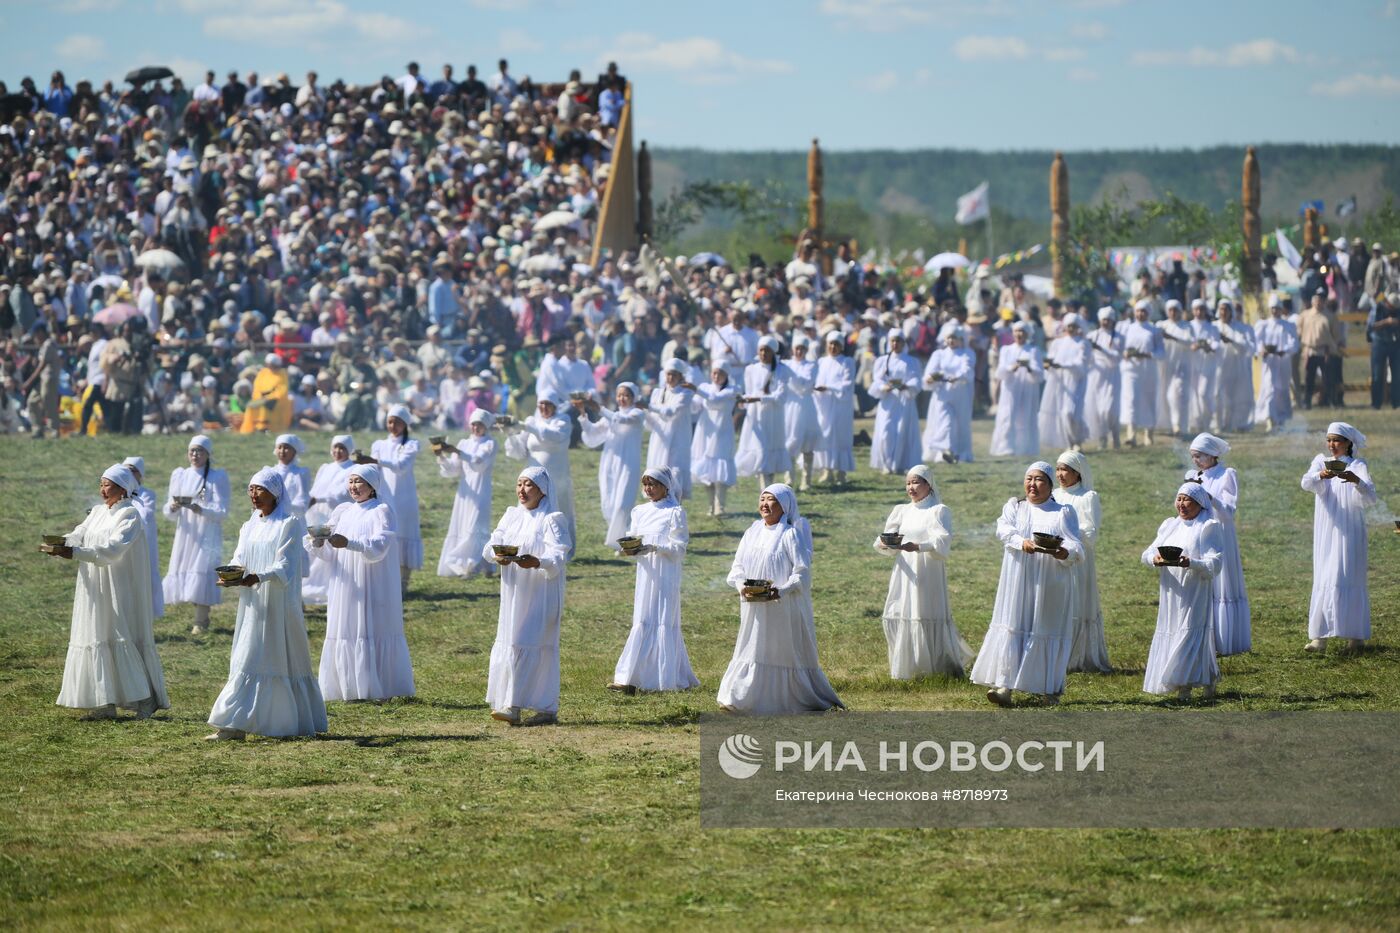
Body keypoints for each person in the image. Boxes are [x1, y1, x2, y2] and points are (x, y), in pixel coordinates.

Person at [206, 468, 327, 741]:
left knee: (273, 656)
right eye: (251, 489)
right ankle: (233, 726)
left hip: (278, 604)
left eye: (260, 489)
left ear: (275, 493)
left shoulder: (289, 524)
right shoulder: (248, 526)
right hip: (253, 604)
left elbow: (286, 565)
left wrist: (258, 577)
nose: (254, 494)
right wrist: (234, 576)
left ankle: (282, 722)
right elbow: (239, 557)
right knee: (245, 655)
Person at [46, 464, 169, 721]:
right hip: (94, 583)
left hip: (118, 584)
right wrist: (63, 542)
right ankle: (105, 701)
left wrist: (76, 553)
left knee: (120, 631)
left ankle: (146, 699)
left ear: (123, 488)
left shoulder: (130, 515)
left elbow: (114, 549)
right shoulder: (99, 512)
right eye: (101, 484)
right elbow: (81, 532)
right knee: (97, 632)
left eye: (108, 485)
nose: (103, 490)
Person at [718, 484, 843, 715]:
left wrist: (781, 590)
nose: (765, 504)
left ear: (784, 506)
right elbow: (737, 567)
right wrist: (741, 587)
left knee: (776, 647)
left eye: (771, 500)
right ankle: (740, 697)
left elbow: (802, 571)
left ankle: (784, 698)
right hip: (753, 605)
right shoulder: (751, 531)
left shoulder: (790, 534)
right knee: (752, 645)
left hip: (780, 605)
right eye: (762, 498)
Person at [970, 462, 1083, 707]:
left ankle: (1049, 690)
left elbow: (1076, 545)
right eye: (1029, 478)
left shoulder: (1062, 512)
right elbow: (1003, 530)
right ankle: (1004, 686)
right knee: (1014, 623)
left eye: (1039, 479)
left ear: (1050, 484)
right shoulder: (1015, 507)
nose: (1032, 484)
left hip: (1050, 580)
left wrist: (1064, 553)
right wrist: (1022, 542)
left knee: (1045, 628)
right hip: (1018, 577)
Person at [312, 464, 415, 702]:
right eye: (351, 481)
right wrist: (320, 543)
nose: (353, 487)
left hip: (371, 579)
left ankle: (378, 685)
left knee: (372, 625)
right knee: (346, 624)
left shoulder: (381, 510)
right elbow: (331, 554)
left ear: (372, 485)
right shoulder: (343, 512)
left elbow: (379, 547)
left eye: (359, 481)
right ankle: (347, 687)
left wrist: (349, 543)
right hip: (346, 581)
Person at [483, 466, 572, 726]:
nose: (522, 490)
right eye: (519, 484)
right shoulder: (511, 515)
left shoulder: (552, 518)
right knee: (511, 639)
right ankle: (523, 704)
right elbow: (490, 545)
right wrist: (496, 555)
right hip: (514, 590)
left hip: (540, 591)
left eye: (528, 485)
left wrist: (537, 562)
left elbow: (559, 555)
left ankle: (522, 706)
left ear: (542, 490)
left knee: (530, 640)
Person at [873, 465, 973, 679]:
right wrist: (884, 544)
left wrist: (919, 546)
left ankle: (937, 668)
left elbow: (942, 540)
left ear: (929, 484)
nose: (911, 487)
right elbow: (885, 537)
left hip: (927, 570)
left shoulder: (938, 510)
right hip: (905, 570)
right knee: (898, 611)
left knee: (924, 613)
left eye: (916, 482)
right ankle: (907, 669)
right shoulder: (901, 510)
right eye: (908, 483)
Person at [610, 467, 700, 694]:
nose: (649, 489)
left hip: (666, 572)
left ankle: (663, 677)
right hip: (646, 572)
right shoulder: (639, 511)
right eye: (646, 484)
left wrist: (655, 547)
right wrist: (629, 549)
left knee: (662, 617)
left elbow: (679, 548)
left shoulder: (675, 512)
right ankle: (630, 676)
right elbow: (633, 538)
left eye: (654, 484)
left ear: (665, 487)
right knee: (643, 617)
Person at [1141, 483, 1224, 703]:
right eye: (1179, 499)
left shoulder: (1208, 526)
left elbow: (1215, 564)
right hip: (1171, 590)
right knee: (1176, 630)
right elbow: (1147, 552)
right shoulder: (1169, 525)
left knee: (1189, 633)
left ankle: (1184, 687)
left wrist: (1191, 563)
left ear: (1200, 503)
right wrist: (1154, 559)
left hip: (1194, 588)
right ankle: (1210, 677)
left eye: (1187, 500)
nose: (1181, 504)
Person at [1301, 423, 1377, 654]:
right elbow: (1305, 483)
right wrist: (1319, 475)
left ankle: (1355, 638)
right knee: (1325, 574)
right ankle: (1319, 638)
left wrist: (1355, 480)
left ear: (1348, 444)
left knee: (1346, 574)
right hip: (1327, 528)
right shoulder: (1320, 461)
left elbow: (1371, 495)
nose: (1332, 445)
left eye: (1337, 440)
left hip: (1350, 528)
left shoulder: (1358, 464)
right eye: (1329, 440)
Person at [1185, 433, 1250, 656]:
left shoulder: (1226, 474)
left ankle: (1226, 638)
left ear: (1212, 455)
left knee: (1222, 581)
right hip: (1200, 533)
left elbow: (1229, 511)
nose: (1196, 461)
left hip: (1221, 532)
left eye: (1199, 456)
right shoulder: (1193, 475)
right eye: (1193, 456)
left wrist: (1208, 496)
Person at [163, 435, 229, 635]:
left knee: (201, 569)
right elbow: (168, 510)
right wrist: (174, 507)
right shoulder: (180, 475)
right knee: (186, 567)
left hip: (206, 531)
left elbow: (222, 511)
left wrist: (199, 509)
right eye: (192, 451)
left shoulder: (217, 477)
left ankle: (200, 619)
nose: (195, 455)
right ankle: (199, 615)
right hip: (187, 532)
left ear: (208, 454)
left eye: (199, 451)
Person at [1053, 450, 1111, 673]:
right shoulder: (1053, 495)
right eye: (1058, 469)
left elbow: (1091, 532)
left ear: (1078, 473)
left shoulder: (1088, 497)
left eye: (1065, 469)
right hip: (1054, 556)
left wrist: (1067, 537)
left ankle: (1077, 656)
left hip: (1078, 560)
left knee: (1076, 601)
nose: (1060, 474)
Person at [504, 396, 575, 556]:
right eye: (541, 404)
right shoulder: (531, 421)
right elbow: (519, 452)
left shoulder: (562, 420)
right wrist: (509, 433)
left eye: (548, 404)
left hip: (556, 475)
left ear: (555, 405)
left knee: (557, 510)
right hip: (532, 479)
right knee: (528, 508)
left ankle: (561, 548)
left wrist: (527, 426)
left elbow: (555, 436)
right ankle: (526, 545)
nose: (543, 407)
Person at [576, 382, 644, 548]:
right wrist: (583, 413)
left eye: (626, 395)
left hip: (628, 464)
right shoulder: (610, 417)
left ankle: (624, 541)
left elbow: (622, 420)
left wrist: (599, 408)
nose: (622, 399)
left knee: (623, 503)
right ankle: (623, 540)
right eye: (619, 395)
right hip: (609, 463)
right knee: (609, 502)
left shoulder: (637, 414)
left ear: (634, 398)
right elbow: (592, 433)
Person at [435, 409, 498, 578]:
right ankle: (478, 565)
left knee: (475, 525)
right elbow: (454, 469)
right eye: (474, 424)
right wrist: (442, 457)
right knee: (464, 524)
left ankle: (471, 566)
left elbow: (479, 463)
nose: (476, 427)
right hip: (465, 491)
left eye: (480, 424)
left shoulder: (490, 444)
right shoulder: (464, 443)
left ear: (486, 426)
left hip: (481, 490)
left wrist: (457, 451)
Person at [369, 405, 423, 596]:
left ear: (405, 424)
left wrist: (377, 461)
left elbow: (401, 466)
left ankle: (404, 581)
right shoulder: (379, 445)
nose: (393, 425)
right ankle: (387, 580)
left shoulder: (410, 444)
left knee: (404, 533)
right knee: (387, 532)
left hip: (404, 496)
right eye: (390, 421)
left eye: (397, 422)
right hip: (384, 495)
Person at [304, 435, 356, 605]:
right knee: (315, 547)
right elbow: (315, 488)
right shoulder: (325, 468)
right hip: (316, 512)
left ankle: (326, 587)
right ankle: (309, 585)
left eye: (342, 448)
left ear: (349, 450)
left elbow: (342, 494)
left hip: (334, 513)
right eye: (335, 447)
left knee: (329, 549)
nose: (338, 451)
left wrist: (319, 498)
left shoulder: (352, 469)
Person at [736, 336, 792, 486]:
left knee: (769, 452)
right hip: (755, 416)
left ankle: (767, 489)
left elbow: (780, 396)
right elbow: (749, 392)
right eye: (761, 350)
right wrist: (743, 401)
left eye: (767, 350)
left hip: (773, 417)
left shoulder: (782, 370)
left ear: (773, 352)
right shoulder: (751, 369)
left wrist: (759, 399)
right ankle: (764, 490)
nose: (763, 353)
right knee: (759, 450)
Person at [868, 329, 923, 473]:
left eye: (898, 340)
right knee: (886, 431)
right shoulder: (882, 361)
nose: (895, 343)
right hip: (888, 401)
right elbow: (877, 380)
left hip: (904, 401)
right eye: (892, 340)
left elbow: (916, 379)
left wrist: (907, 386)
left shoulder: (911, 361)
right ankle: (886, 463)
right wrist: (884, 387)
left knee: (902, 431)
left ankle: (899, 464)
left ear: (903, 343)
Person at [988, 322, 1043, 457]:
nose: (1019, 334)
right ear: (1013, 333)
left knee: (1025, 417)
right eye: (1016, 331)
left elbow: (1039, 373)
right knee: (1008, 415)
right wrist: (1012, 368)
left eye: (1022, 331)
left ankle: (1024, 447)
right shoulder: (1006, 349)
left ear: (1027, 333)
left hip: (1028, 388)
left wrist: (1028, 367)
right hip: (1011, 388)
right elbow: (1000, 371)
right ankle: (1006, 446)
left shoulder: (1034, 350)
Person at [921, 324, 974, 464]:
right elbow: (929, 372)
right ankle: (945, 450)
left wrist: (957, 377)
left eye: (954, 338)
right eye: (949, 337)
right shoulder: (939, 354)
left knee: (959, 423)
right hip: (942, 394)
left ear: (960, 338)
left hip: (960, 394)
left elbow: (967, 370)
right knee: (945, 421)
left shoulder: (966, 353)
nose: (951, 340)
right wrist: (932, 378)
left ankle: (959, 452)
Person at [644, 359, 697, 500]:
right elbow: (651, 419)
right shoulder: (657, 393)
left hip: (678, 438)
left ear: (680, 376)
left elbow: (671, 412)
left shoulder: (685, 393)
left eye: (674, 374)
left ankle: (674, 505)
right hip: (659, 438)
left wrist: (648, 407)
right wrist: (644, 411)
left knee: (675, 470)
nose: (670, 378)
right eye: (668, 374)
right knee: (658, 468)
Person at [691, 364, 739, 517]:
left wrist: (695, 389)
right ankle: (711, 505)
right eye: (714, 373)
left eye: (720, 373)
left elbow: (715, 399)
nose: (716, 376)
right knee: (707, 468)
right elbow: (695, 406)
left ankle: (720, 506)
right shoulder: (705, 387)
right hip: (706, 429)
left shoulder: (732, 389)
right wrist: (686, 394)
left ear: (726, 375)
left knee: (720, 465)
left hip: (723, 429)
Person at [1038, 313, 1090, 451]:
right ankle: (1069, 443)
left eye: (1074, 326)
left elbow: (1081, 364)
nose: (1071, 329)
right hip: (1060, 382)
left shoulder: (1083, 343)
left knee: (1072, 412)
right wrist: (1048, 365)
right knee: (1063, 413)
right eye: (1069, 326)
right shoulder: (1057, 343)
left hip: (1077, 381)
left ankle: (1077, 440)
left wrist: (1062, 365)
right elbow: (1050, 359)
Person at [121, 455, 163, 620]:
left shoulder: (147, 494)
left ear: (140, 475)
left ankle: (144, 618)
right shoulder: (120, 493)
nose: (129, 474)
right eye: (126, 470)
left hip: (143, 543)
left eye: (133, 470)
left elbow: (145, 515)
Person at [813, 330, 856, 484]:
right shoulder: (821, 362)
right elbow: (816, 380)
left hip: (840, 406)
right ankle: (827, 469)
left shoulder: (847, 362)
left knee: (840, 436)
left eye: (836, 344)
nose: (833, 347)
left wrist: (829, 387)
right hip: (824, 405)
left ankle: (841, 471)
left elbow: (847, 383)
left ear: (841, 346)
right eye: (830, 344)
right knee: (825, 435)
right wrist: (818, 388)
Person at [1119, 300, 1164, 446]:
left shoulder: (1154, 330)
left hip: (1148, 370)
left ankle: (1148, 433)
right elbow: (1120, 348)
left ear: (1148, 313)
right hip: (1131, 370)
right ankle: (1131, 434)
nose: (1140, 314)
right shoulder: (1127, 328)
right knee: (1131, 399)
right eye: (1138, 311)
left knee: (1148, 401)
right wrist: (1126, 353)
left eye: (1143, 311)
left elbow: (1161, 352)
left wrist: (1148, 355)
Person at [782, 337, 822, 490]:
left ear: (806, 350)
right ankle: (789, 478)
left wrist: (790, 375)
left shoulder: (811, 365)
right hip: (789, 406)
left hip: (805, 406)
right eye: (796, 348)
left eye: (802, 349)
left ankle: (807, 479)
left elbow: (805, 386)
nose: (799, 352)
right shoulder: (786, 364)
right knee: (789, 442)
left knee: (807, 443)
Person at [1253, 296, 1299, 431]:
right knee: (1269, 389)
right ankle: (1269, 418)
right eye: (1272, 308)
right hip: (1269, 363)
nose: (1275, 311)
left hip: (1283, 362)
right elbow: (1257, 342)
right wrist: (1261, 350)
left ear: (1281, 309)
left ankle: (1281, 418)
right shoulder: (1263, 325)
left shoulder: (1288, 325)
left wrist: (1284, 351)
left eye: (1277, 308)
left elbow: (1294, 343)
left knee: (1282, 389)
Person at [1214, 300, 1256, 432]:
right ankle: (1217, 424)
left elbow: (1247, 347)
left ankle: (1230, 424)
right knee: (1216, 396)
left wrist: (1230, 340)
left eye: (1226, 309)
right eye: (1221, 309)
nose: (1223, 312)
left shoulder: (1240, 328)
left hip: (1234, 368)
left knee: (1232, 398)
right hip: (1217, 368)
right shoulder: (1213, 326)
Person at [1085, 307, 1123, 449]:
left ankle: (1115, 434)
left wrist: (1100, 348)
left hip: (1112, 375)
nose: (1106, 322)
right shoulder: (1092, 335)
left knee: (1109, 409)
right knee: (1097, 409)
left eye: (1108, 320)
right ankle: (1102, 438)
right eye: (1103, 320)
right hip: (1096, 375)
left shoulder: (1119, 337)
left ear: (1113, 321)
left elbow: (1116, 358)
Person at [1158, 300, 1194, 437]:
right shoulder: (1162, 325)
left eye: (1176, 310)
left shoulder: (1187, 326)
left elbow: (1189, 341)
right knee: (1165, 395)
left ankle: (1179, 425)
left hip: (1181, 367)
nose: (1173, 313)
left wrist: (1171, 337)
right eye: (1171, 310)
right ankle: (1169, 425)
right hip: (1165, 366)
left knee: (1177, 395)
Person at [271, 433, 311, 519]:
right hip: (272, 515)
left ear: (294, 451)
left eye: (286, 447)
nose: (282, 451)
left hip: (293, 517)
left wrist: (287, 508)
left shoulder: (300, 473)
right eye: (279, 447)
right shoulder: (270, 472)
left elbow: (302, 498)